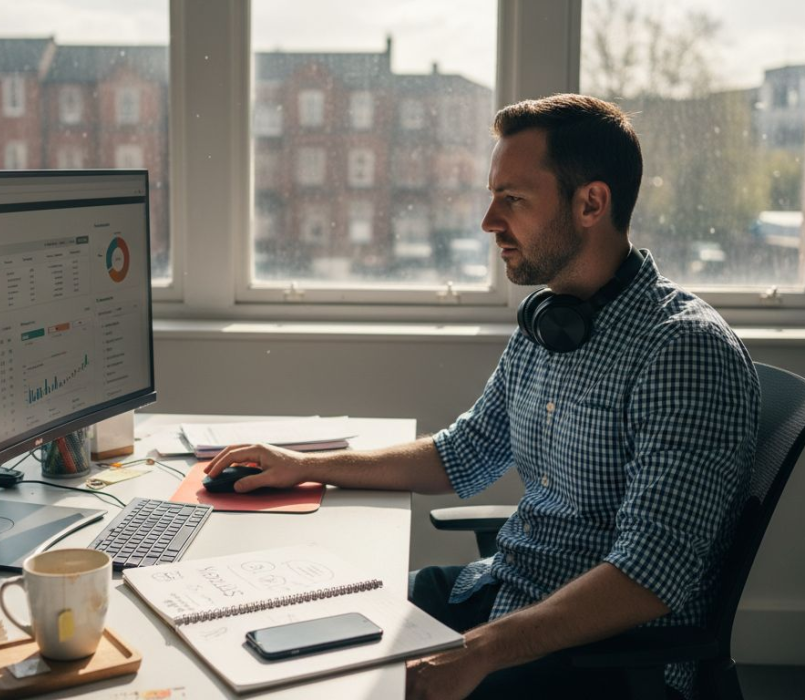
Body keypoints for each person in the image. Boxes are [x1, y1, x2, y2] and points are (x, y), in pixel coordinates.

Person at [204, 94, 760, 700]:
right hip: (499, 591)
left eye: (512, 199)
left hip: (597, 659)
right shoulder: (552, 321)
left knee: (347, 686)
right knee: (282, 631)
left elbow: (650, 577)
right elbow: (463, 454)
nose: (489, 221)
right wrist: (305, 467)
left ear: (591, 203)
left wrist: (473, 654)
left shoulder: (683, 352)